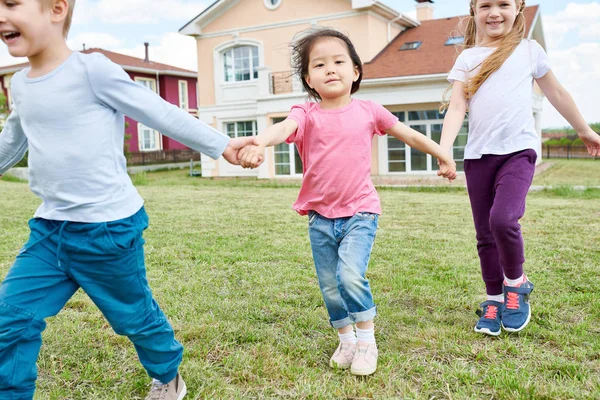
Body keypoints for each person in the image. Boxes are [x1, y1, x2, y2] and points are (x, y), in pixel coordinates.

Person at [0, 0, 256, 398]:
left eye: (11, 3)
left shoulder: (91, 70)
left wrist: (222, 145)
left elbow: (158, 112)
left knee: (133, 317)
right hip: (49, 230)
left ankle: (168, 373)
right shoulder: (20, 83)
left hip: (107, 230)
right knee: (10, 318)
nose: (1, 14)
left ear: (56, 9)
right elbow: (12, 141)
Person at [238, 27, 456, 376]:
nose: (330, 69)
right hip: (320, 218)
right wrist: (258, 143)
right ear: (309, 78)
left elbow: (411, 134)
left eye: (339, 61)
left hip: (360, 211)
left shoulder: (369, 110)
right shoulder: (306, 114)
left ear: (355, 71)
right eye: (320, 64)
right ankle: (346, 340)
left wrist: (443, 155)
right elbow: (281, 128)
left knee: (349, 275)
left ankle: (367, 343)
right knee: (329, 284)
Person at [439, 0, 600, 336]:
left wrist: (584, 130)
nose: (494, 12)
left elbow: (555, 92)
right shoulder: (467, 59)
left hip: (518, 152)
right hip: (478, 156)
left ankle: (517, 284)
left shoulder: (529, 50)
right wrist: (444, 149)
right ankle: (494, 299)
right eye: (485, 5)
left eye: (503, 4)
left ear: (518, 9)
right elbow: (457, 106)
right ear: (474, 11)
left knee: (503, 219)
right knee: (485, 235)